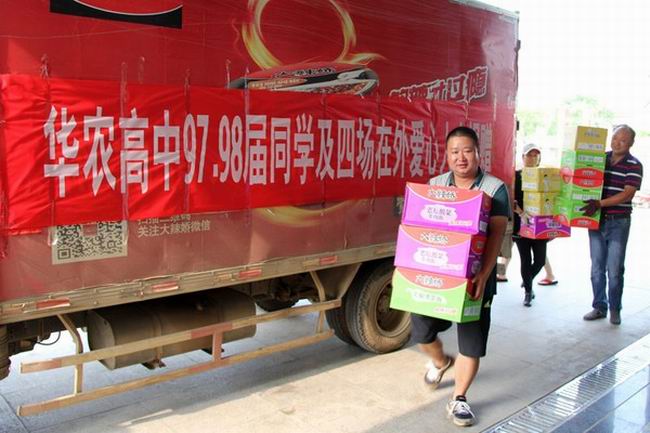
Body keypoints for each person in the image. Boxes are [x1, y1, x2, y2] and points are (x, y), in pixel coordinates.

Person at [410, 126, 509, 427]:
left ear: (478, 153)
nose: (461, 158)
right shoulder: (436, 184)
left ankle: (459, 399)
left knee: (471, 342)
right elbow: (423, 226)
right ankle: (440, 361)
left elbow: (496, 235)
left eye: (467, 151)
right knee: (421, 331)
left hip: (476, 278)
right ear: (447, 154)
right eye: (454, 152)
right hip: (438, 274)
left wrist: (484, 274)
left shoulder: (494, 188)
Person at [581, 124, 643, 325]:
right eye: (615, 138)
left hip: (619, 222)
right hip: (596, 220)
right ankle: (599, 306)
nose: (617, 143)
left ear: (631, 143)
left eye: (623, 140)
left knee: (615, 269)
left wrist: (599, 203)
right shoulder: (599, 159)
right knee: (597, 267)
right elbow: (583, 179)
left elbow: (627, 194)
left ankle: (615, 308)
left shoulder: (634, 165)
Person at [513, 143, 548, 306]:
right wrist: (521, 213)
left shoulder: (544, 176)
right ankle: (528, 291)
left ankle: (528, 278)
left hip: (540, 226)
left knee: (540, 260)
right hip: (521, 224)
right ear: (523, 157)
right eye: (529, 155)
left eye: (535, 155)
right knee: (525, 259)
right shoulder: (516, 176)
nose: (532, 158)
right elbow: (511, 199)